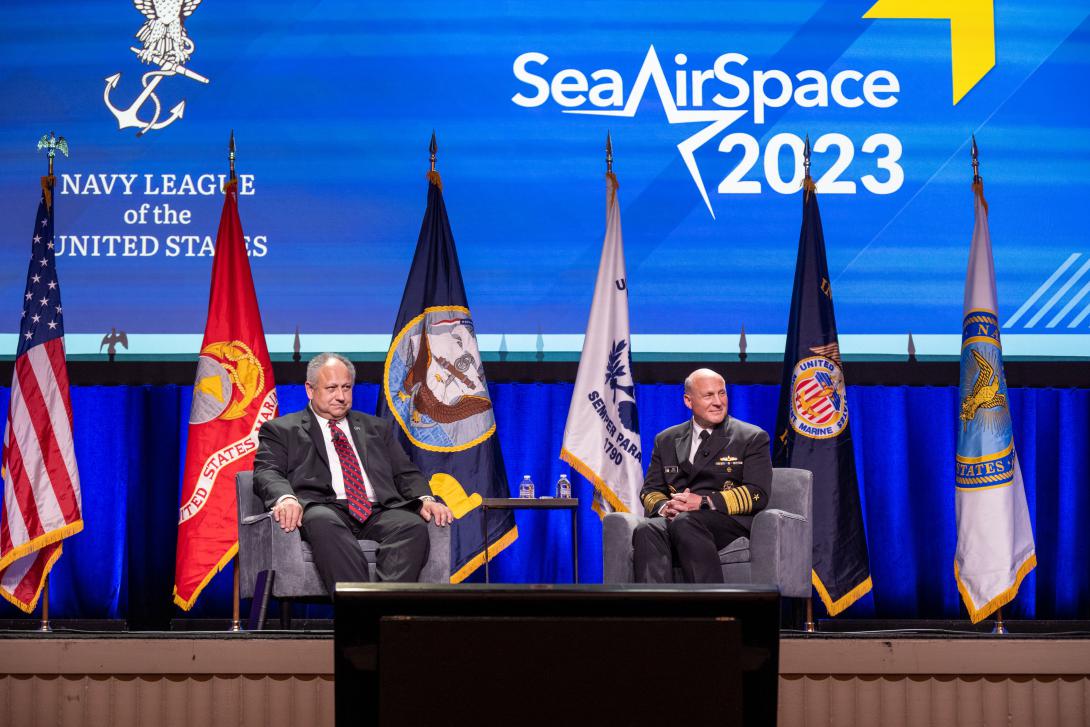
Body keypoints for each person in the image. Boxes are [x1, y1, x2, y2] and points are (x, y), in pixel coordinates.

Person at [253, 352, 452, 591]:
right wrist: (285, 498)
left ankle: (382, 612)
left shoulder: (376, 428)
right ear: (310, 389)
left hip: (377, 510)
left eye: (347, 388)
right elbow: (268, 471)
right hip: (323, 508)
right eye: (332, 388)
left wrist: (425, 498)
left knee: (411, 526)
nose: (340, 396)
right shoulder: (282, 429)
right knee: (321, 521)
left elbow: (405, 472)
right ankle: (359, 612)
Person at [634, 368, 772, 583]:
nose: (718, 402)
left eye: (722, 393)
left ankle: (709, 610)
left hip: (726, 521)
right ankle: (656, 612)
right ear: (689, 401)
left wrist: (703, 502)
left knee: (686, 521)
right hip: (678, 517)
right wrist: (666, 507)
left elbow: (758, 493)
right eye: (709, 395)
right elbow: (650, 490)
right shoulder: (666, 439)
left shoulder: (751, 437)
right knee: (647, 528)